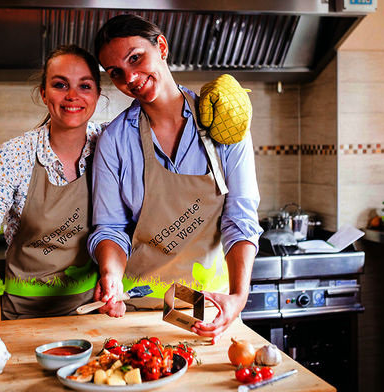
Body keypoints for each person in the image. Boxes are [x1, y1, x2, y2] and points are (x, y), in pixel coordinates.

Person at [88, 14, 262, 342]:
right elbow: (110, 227)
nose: (131, 77)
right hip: (140, 308)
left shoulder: (222, 121)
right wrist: (110, 274)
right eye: (116, 73)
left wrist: (238, 296)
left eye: (136, 58)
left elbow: (239, 217)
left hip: (209, 306)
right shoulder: (114, 140)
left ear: (162, 47)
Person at [0, 45, 104, 341]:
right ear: (44, 93)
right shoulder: (14, 155)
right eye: (60, 84)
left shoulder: (110, 146)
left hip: (93, 311)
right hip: (25, 315)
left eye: (85, 86)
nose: (72, 96)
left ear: (97, 94)